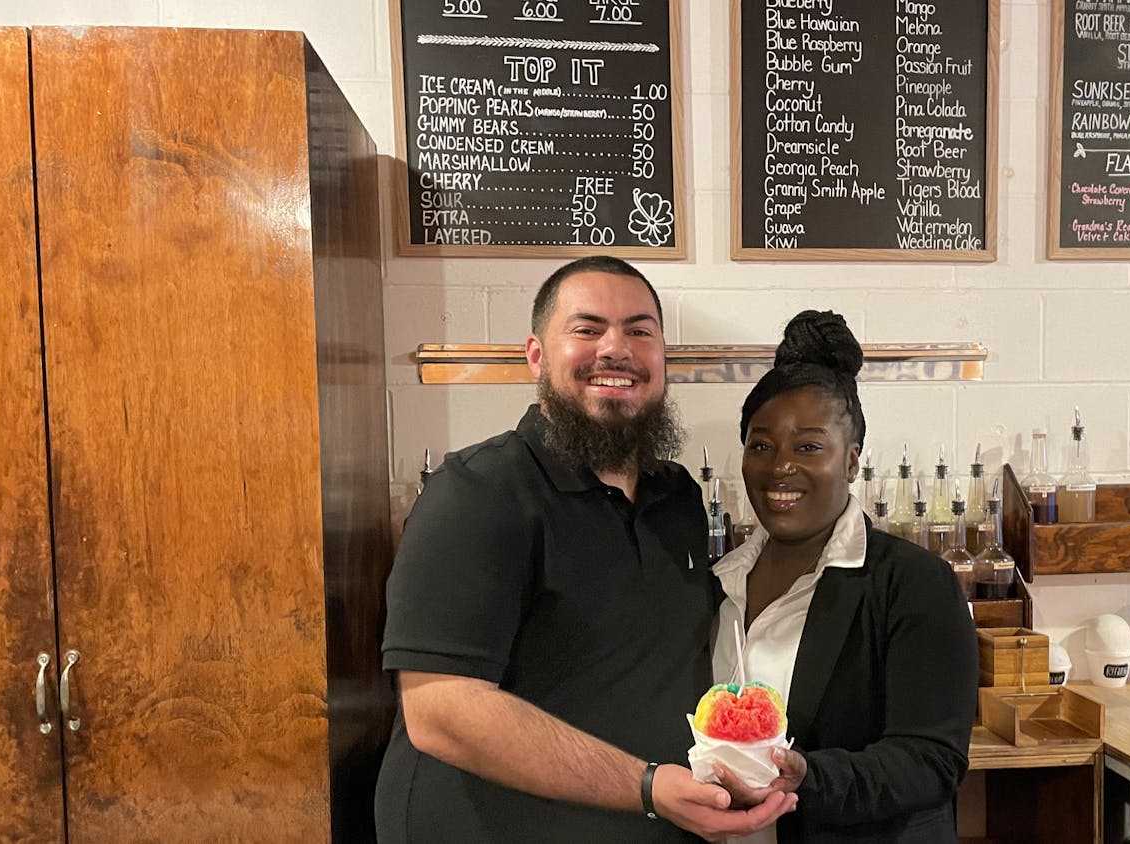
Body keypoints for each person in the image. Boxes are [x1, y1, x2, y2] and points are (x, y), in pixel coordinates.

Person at [375, 256, 795, 843]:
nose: (616, 348)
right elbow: (441, 710)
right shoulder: (477, 492)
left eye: (640, 331)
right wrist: (647, 786)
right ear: (536, 355)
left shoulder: (675, 496)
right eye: (587, 329)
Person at [709, 310, 979, 842]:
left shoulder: (913, 584)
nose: (780, 466)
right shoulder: (715, 583)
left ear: (852, 461)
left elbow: (932, 760)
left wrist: (808, 777)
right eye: (760, 445)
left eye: (809, 446)